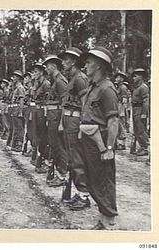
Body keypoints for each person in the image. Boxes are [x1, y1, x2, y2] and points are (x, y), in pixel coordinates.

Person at [80, 46, 119, 230]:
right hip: (89, 138)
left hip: (101, 140)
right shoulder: (92, 86)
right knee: (92, 178)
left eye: (88, 62)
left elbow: (113, 121)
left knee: (104, 178)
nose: (85, 65)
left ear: (99, 65)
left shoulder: (107, 89)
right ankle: (103, 216)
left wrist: (109, 149)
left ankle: (108, 219)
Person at [58, 47, 90, 210]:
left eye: (66, 60)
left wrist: (82, 126)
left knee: (77, 158)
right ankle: (78, 192)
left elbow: (86, 103)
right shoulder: (72, 78)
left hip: (76, 119)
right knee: (71, 157)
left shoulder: (80, 78)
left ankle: (84, 195)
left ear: (75, 61)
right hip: (68, 118)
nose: (63, 63)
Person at [42, 55, 68, 187]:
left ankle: (62, 174)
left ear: (54, 66)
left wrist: (62, 123)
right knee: (54, 146)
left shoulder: (60, 81)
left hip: (57, 117)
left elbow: (65, 102)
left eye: (47, 66)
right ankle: (59, 172)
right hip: (52, 116)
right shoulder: (55, 80)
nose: (46, 68)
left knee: (58, 146)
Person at [32, 62, 51, 173]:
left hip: (43, 111)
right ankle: (39, 160)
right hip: (38, 110)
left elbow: (48, 100)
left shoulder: (46, 84)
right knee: (39, 136)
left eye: (36, 72)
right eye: (34, 72)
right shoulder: (37, 84)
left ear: (42, 72)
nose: (34, 74)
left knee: (44, 137)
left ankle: (43, 161)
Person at [131, 68, 150, 156]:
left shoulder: (143, 87)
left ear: (141, 77)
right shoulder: (137, 87)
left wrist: (144, 113)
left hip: (140, 109)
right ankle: (141, 147)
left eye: (136, 76)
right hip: (135, 109)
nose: (133, 78)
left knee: (141, 129)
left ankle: (145, 147)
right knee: (136, 129)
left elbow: (146, 101)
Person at [10, 70, 26, 152]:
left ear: (19, 78)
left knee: (20, 128)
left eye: (15, 77)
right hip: (14, 109)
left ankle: (19, 145)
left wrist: (20, 111)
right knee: (16, 128)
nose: (13, 78)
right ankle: (16, 144)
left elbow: (21, 100)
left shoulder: (20, 88)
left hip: (18, 109)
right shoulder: (15, 88)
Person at [114, 71, 129, 150]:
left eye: (118, 77)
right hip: (117, 107)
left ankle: (122, 144)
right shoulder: (118, 87)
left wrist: (121, 112)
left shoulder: (123, 87)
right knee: (117, 126)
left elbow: (124, 101)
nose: (116, 79)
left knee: (121, 127)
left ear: (122, 79)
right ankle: (117, 143)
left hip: (121, 108)